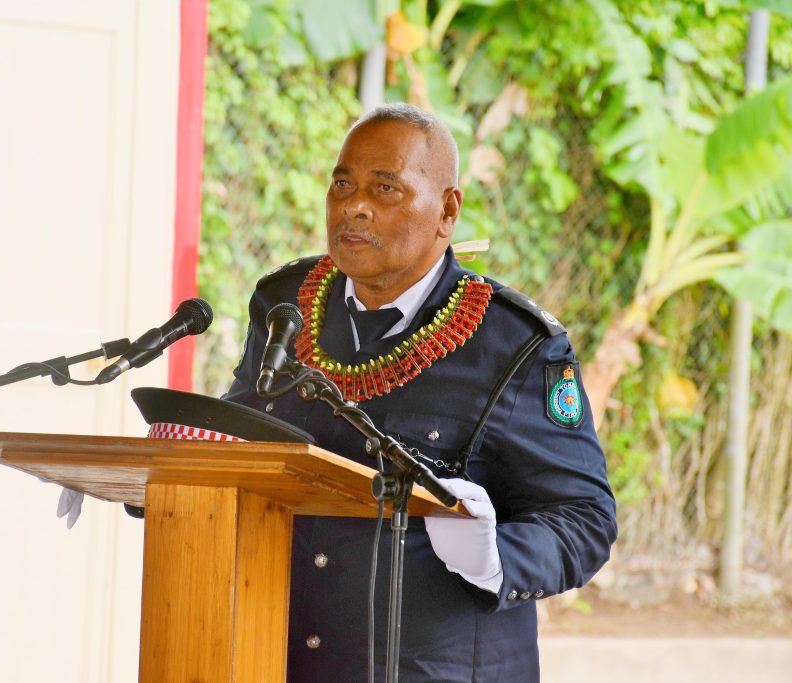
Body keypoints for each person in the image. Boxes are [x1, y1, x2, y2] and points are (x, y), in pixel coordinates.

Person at [223, 103, 616, 682]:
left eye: (385, 189)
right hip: (281, 659)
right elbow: (239, 437)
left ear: (447, 211)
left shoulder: (514, 344)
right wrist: (164, 467)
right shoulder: (286, 305)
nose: (354, 206)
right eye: (342, 184)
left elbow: (584, 518)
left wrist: (495, 556)